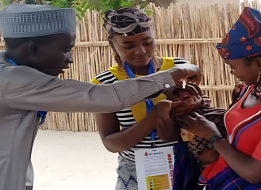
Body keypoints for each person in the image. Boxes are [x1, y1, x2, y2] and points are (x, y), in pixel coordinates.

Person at [0, 4, 202, 190]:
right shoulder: (12, 80)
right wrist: (173, 80)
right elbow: (107, 98)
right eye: (66, 50)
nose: (70, 58)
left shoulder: (12, 74)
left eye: (147, 42)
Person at [91, 7, 200, 190]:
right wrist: (154, 117)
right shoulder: (105, 83)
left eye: (147, 42)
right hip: (134, 170)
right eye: (128, 46)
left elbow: (196, 123)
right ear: (113, 44)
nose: (141, 51)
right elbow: (111, 143)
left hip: (183, 162)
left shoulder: (178, 69)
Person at [178, 7, 261, 189]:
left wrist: (212, 136)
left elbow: (253, 173)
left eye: (232, 66)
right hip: (223, 176)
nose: (231, 72)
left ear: (259, 63)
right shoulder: (250, 89)